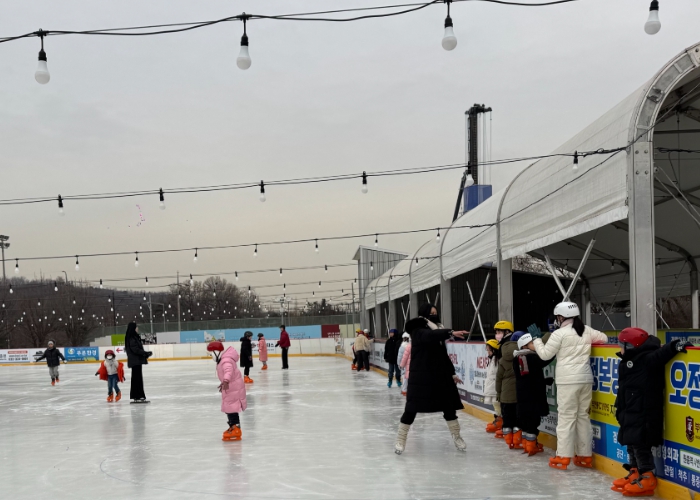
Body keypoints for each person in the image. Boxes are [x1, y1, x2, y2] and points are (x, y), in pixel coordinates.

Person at [611, 328, 692, 496]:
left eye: (621, 345)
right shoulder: (628, 360)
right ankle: (634, 472)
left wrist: (676, 345)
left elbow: (661, 354)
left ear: (631, 346)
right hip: (629, 409)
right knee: (631, 443)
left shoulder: (646, 359)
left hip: (643, 411)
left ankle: (647, 476)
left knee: (640, 445)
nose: (619, 349)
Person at [532, 301, 608, 470]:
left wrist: (537, 339)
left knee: (566, 418)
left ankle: (563, 456)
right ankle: (584, 455)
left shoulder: (559, 334)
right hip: (585, 379)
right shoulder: (586, 330)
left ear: (561, 317)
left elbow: (544, 355)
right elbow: (604, 338)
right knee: (582, 417)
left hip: (567, 381)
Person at [394, 303, 468, 455]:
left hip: (440, 376)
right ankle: (401, 440)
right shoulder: (417, 329)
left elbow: (443, 356)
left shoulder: (438, 330)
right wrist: (450, 332)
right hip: (421, 377)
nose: (434, 315)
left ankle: (457, 437)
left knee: (449, 408)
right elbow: (429, 336)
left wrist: (452, 373)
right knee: (411, 409)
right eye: (431, 313)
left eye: (436, 313)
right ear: (424, 315)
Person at [513, 333, 552, 456]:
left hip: (522, 395)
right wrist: (554, 352)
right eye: (531, 343)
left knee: (525, 420)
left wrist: (544, 381)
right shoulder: (531, 357)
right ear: (524, 346)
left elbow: (528, 376)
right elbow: (544, 360)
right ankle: (531, 446)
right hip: (533, 395)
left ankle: (526, 443)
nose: (534, 344)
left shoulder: (517, 358)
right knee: (533, 420)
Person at [207, 341, 247, 441]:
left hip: (233, 387)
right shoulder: (224, 359)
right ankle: (233, 426)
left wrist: (225, 380)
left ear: (216, 352)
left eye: (211, 354)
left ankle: (236, 428)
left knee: (232, 407)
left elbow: (228, 371)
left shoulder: (226, 361)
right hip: (231, 387)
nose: (211, 356)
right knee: (230, 407)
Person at [497, 330, 521, 449]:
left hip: (505, 397)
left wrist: (498, 393)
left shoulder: (502, 360)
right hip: (518, 395)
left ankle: (508, 440)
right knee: (517, 419)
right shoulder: (522, 357)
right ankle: (516, 440)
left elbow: (498, 379)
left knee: (507, 418)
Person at [124, 322, 152, 403]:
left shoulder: (133, 337)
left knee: (137, 378)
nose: (137, 328)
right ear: (133, 328)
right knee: (137, 378)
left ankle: (138, 395)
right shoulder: (132, 338)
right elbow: (135, 349)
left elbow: (136, 349)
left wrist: (145, 354)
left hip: (136, 360)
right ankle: (137, 395)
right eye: (136, 327)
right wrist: (145, 353)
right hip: (135, 361)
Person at [484, 339, 502, 434]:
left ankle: (501, 421)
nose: (488, 352)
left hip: (496, 387)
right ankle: (498, 420)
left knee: (498, 404)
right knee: (496, 404)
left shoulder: (498, 360)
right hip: (492, 387)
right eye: (487, 350)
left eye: (489, 350)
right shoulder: (492, 360)